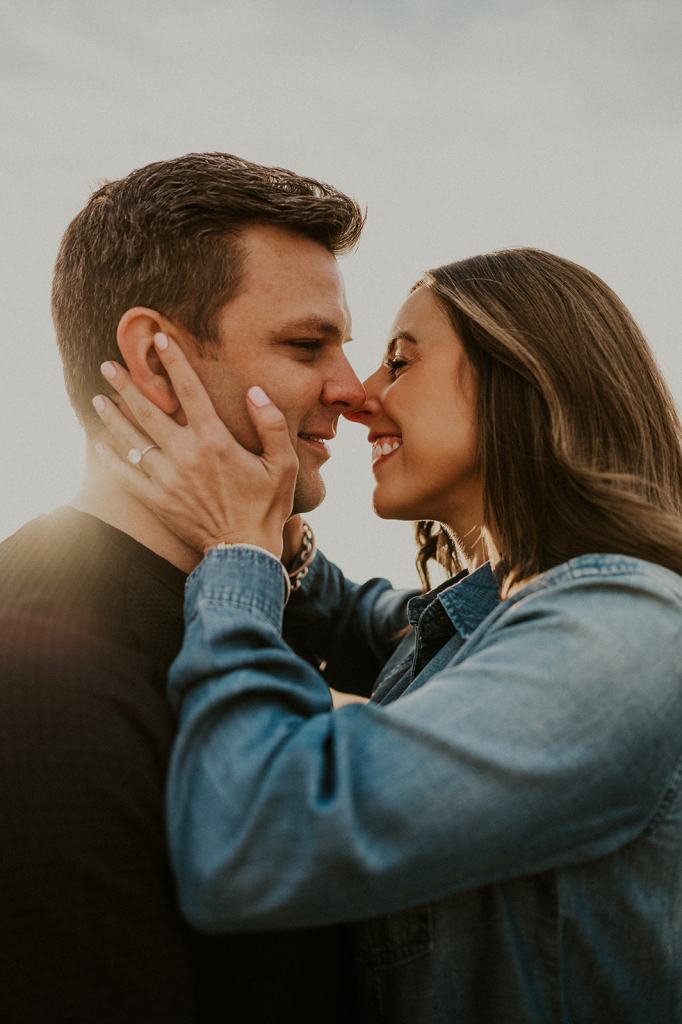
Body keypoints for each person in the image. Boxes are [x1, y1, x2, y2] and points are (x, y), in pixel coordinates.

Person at [94, 247, 682, 1024]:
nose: (359, 396)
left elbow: (252, 843)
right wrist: (282, 539)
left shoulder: (624, 631)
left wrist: (237, 551)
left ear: (525, 378)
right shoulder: (499, 615)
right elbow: (370, 622)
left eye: (399, 364)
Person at [0, 151, 378, 1023]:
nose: (351, 391)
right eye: (305, 344)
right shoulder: (40, 675)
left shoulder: (233, 604)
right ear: (156, 358)